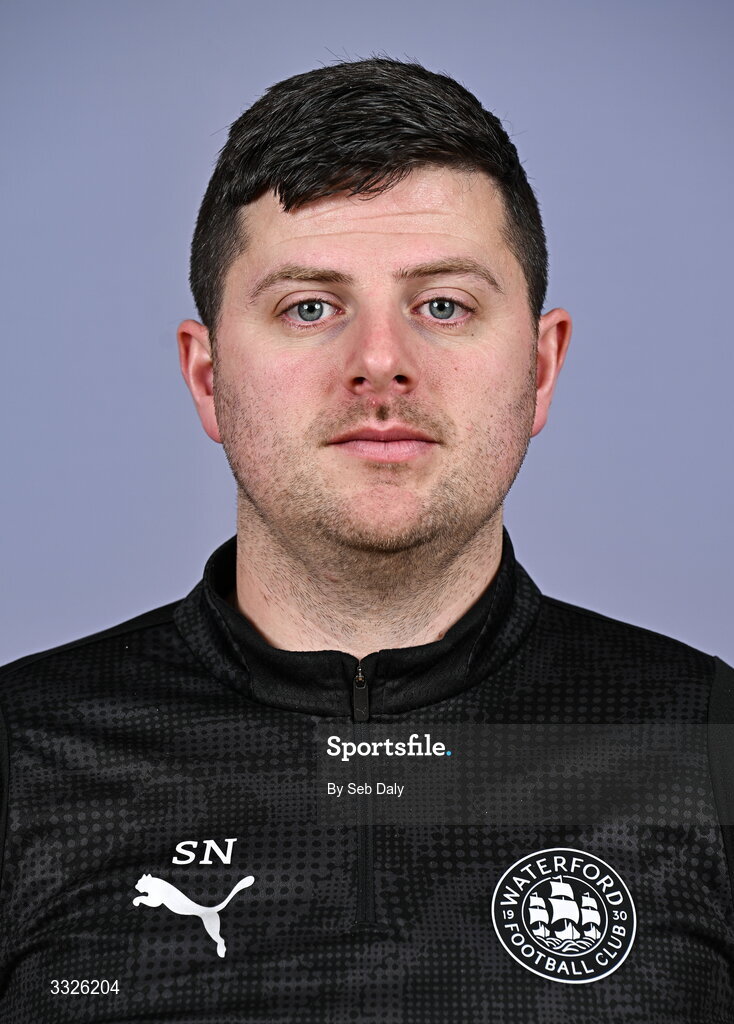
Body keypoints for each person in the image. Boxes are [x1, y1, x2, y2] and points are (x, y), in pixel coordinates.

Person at [1, 56, 732, 1023]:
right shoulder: (24, 757)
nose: (380, 364)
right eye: (310, 306)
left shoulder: (709, 751)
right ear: (206, 375)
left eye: (443, 306)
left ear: (541, 368)